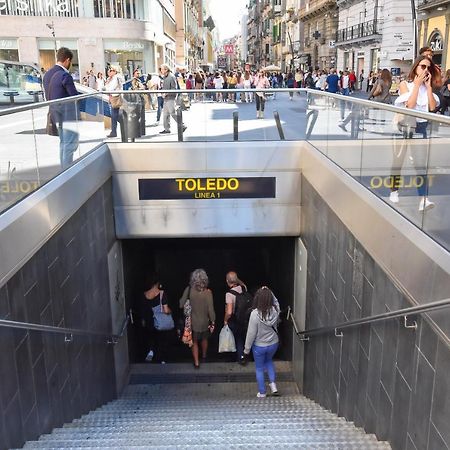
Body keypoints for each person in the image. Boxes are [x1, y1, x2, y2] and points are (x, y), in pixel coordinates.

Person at [390, 56, 440, 211]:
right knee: (398, 161)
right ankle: (394, 190)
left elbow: (432, 108)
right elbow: (409, 106)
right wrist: (417, 86)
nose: (425, 70)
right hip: (405, 127)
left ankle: (423, 199)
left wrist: (429, 87)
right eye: (422, 66)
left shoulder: (429, 88)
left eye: (428, 68)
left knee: (421, 165)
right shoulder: (405, 84)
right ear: (416, 67)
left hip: (421, 128)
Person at [43, 47, 80, 169]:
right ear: (67, 60)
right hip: (67, 114)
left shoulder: (47, 74)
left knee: (63, 143)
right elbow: (73, 95)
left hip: (55, 113)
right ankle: (67, 171)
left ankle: (63, 168)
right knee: (69, 144)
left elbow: (48, 96)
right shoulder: (65, 75)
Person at [243, 286, 280, 398]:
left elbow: (251, 334)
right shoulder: (275, 310)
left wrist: (246, 350)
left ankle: (262, 392)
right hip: (273, 343)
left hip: (259, 346)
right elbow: (276, 301)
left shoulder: (255, 314)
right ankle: (273, 386)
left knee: (259, 368)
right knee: (269, 361)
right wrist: (270, 292)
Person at [179, 269, 215, 369]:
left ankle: (196, 362)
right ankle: (204, 356)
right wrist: (213, 320)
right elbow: (211, 309)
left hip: (192, 322)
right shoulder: (208, 292)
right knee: (204, 338)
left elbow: (181, 304)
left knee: (194, 341)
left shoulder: (189, 290)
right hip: (204, 321)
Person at [140, 275, 174, 364]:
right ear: (157, 283)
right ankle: (162, 359)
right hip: (159, 321)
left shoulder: (144, 294)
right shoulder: (161, 294)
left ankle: (151, 351)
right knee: (161, 340)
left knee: (151, 338)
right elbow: (166, 310)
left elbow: (143, 310)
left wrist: (143, 320)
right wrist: (170, 311)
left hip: (149, 321)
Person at [223, 271, 247, 363]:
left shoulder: (229, 294)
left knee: (235, 338)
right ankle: (243, 355)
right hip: (245, 317)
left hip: (235, 319)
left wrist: (225, 320)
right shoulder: (244, 288)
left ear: (227, 281)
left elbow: (229, 312)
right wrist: (236, 279)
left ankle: (239, 357)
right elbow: (241, 283)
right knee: (242, 337)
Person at [159, 64, 187, 134]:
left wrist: (166, 93)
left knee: (172, 113)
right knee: (165, 114)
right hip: (166, 98)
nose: (161, 70)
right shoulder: (165, 77)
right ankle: (167, 129)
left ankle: (182, 125)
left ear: (166, 69)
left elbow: (174, 88)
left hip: (171, 98)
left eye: (162, 69)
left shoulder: (171, 77)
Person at [104, 65, 123, 138]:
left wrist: (107, 85)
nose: (109, 71)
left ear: (115, 71)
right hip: (114, 96)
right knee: (114, 114)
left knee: (114, 115)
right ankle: (114, 131)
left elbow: (110, 88)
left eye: (111, 70)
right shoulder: (113, 78)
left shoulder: (116, 78)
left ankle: (114, 131)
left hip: (115, 97)